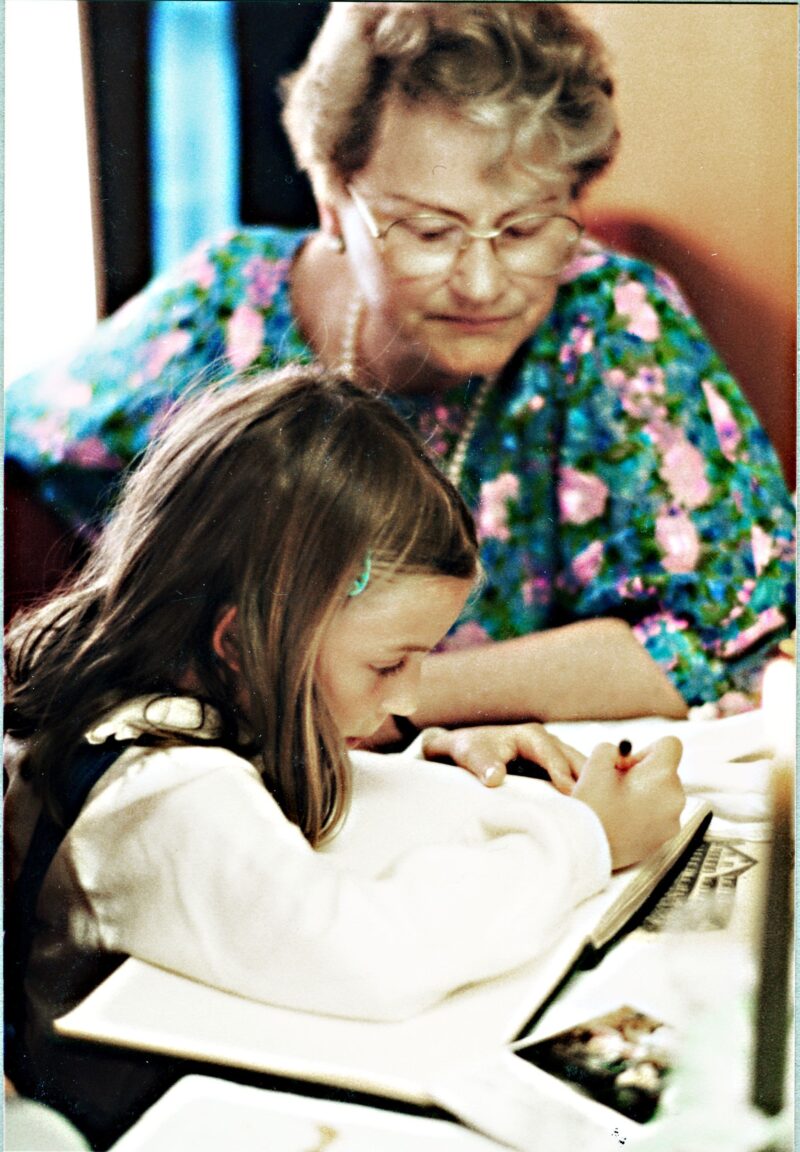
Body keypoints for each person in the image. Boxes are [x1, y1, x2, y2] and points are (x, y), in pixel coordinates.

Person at [5, 3, 794, 753]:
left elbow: (732, 633)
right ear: (330, 202)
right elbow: (28, 449)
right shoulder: (221, 310)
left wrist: (362, 693)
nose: (483, 284)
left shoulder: (614, 319)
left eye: (524, 228)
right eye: (428, 230)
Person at [4, 366, 685, 1144]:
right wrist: (585, 840)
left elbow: (268, 801)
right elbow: (372, 957)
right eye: (388, 665)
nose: (408, 699)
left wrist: (436, 770)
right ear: (241, 642)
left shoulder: (171, 697)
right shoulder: (160, 797)